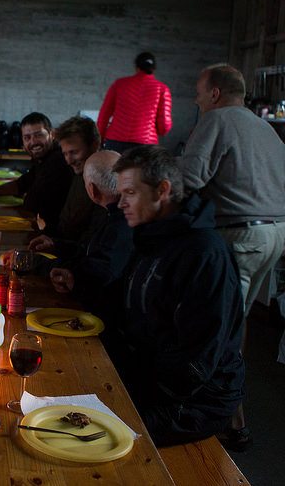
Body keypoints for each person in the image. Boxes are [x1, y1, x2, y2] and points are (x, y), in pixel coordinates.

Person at [103, 145, 244, 447]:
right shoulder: (153, 235)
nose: (119, 204)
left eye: (130, 193)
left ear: (162, 190)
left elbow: (197, 360)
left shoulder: (204, 253)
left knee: (95, 434)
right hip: (151, 375)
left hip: (195, 402)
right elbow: (129, 302)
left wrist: (134, 394)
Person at [179, 63, 285, 449]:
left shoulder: (216, 120)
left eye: (198, 91)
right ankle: (229, 412)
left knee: (220, 329)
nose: (195, 98)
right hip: (275, 234)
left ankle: (228, 421)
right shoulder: (266, 128)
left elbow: (188, 179)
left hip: (241, 234)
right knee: (236, 324)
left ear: (215, 94)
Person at [49, 150, 132, 308]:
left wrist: (43, 265)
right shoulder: (113, 213)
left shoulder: (121, 220)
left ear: (92, 190)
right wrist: (56, 245)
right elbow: (90, 249)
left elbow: (97, 273)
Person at [28, 116, 104, 254]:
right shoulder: (78, 175)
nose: (69, 161)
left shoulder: (103, 184)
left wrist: (55, 245)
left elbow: (90, 247)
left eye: (74, 152)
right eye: (65, 154)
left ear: (95, 144)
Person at [0, 112, 73, 230]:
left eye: (38, 135)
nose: (33, 142)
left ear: (52, 134)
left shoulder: (57, 160)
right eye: (27, 138)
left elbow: (31, 203)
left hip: (54, 234)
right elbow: (21, 184)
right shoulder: (43, 158)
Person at [97, 52, 172, 153]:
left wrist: (100, 138)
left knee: (113, 168)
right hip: (145, 145)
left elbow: (104, 115)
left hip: (115, 142)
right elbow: (164, 127)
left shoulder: (120, 84)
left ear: (137, 67)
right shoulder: (162, 89)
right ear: (153, 69)